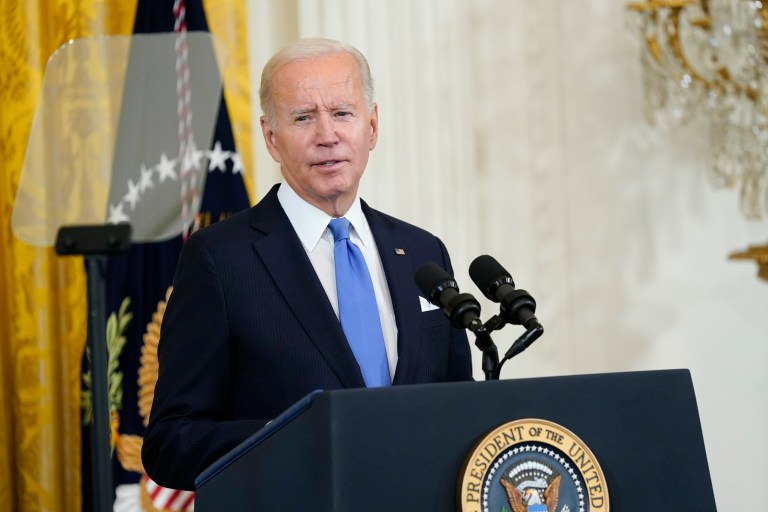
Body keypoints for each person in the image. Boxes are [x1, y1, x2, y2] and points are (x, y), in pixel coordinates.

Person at [141, 37, 473, 491]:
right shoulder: (219, 260)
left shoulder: (421, 252)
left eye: (342, 113)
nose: (327, 135)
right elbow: (171, 442)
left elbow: (460, 406)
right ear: (271, 138)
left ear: (372, 126)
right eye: (303, 117)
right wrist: (295, 437)